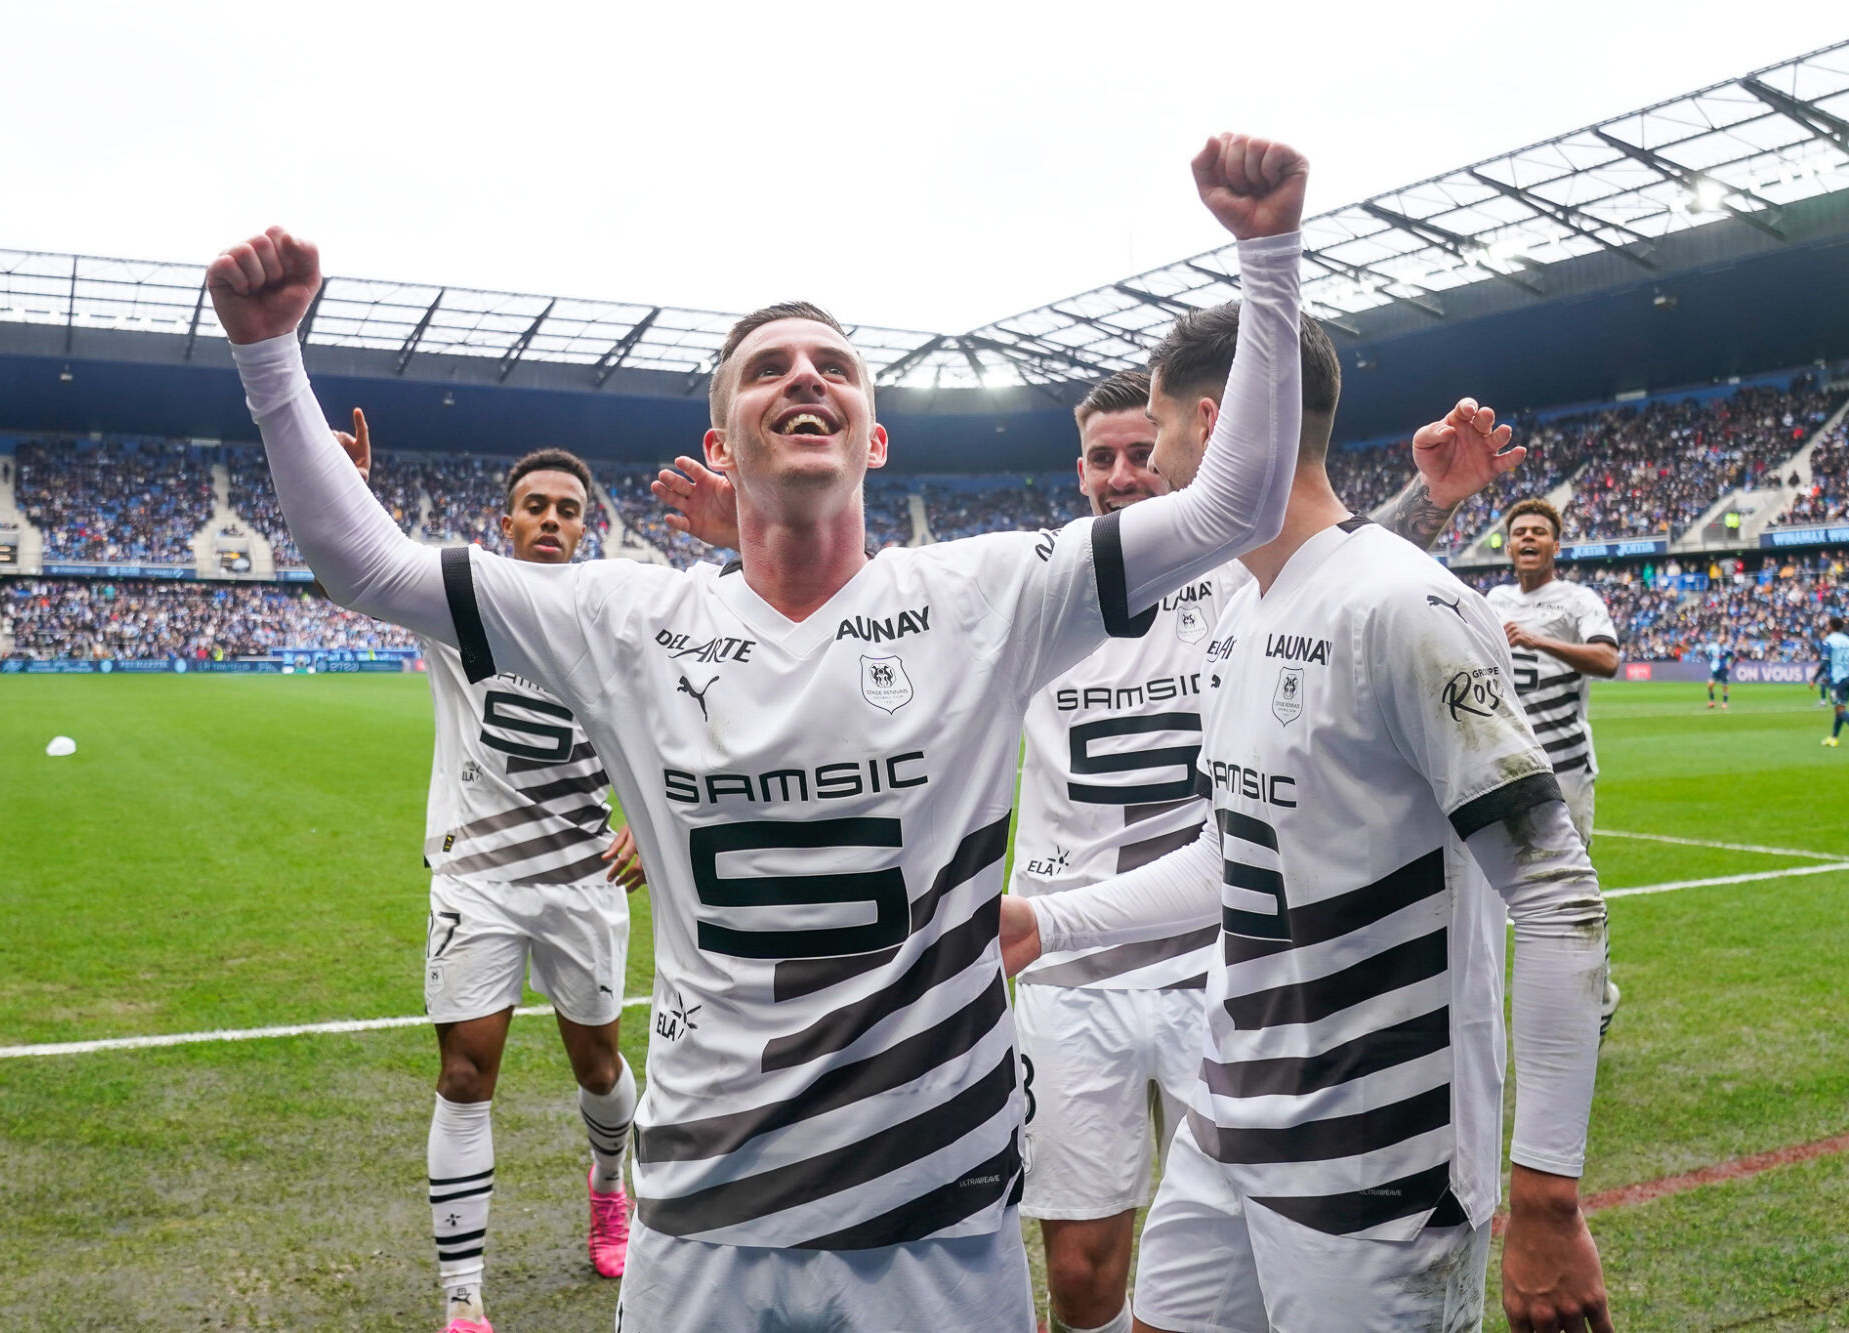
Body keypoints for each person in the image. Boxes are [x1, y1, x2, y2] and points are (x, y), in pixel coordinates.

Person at [210, 130, 1310, 1333]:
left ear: (871, 440)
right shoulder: (622, 617)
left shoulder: (988, 593)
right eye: (767, 367)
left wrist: (1267, 259)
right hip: (704, 1209)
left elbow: (1238, 498)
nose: (803, 378)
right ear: (724, 444)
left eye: (833, 366)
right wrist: (271, 356)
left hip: (931, 1211)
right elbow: (362, 562)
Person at [655, 371, 1526, 1333]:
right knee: (1079, 1268)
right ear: (1080, 472)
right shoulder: (1028, 599)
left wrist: (1432, 500)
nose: (1123, 473)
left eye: (1138, 450)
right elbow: (836, 637)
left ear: (1177, 456)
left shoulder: (1241, 590)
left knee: (1246, 1265)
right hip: (1066, 969)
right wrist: (745, 537)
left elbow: (1347, 581)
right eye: (1102, 457)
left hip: (1215, 964)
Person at [1000, 306, 1612, 1333]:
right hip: (1228, 1115)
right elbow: (1228, 856)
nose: (1146, 462)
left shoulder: (1404, 608)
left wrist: (1547, 1196)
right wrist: (1048, 923)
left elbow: (1556, 897)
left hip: (1375, 1158)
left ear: (1211, 423)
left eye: (1154, 430)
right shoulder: (1246, 607)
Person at [329, 408, 648, 1329]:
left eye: (569, 510)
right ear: (503, 521)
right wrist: (349, 487)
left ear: (588, 525)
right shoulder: (460, 604)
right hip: (478, 880)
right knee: (467, 1074)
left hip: (582, 882)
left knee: (597, 1065)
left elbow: (677, 730)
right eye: (535, 507)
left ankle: (607, 1181)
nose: (552, 520)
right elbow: (361, 566)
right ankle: (462, 1297)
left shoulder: (614, 619)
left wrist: (648, 823)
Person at [1486, 500, 1622, 1033]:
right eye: (1519, 532)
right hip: (1501, 763)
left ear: (1555, 546)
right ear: (1508, 544)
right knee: (1490, 887)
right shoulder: (1492, 599)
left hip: (1564, 767)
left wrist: (1538, 639)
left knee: (1570, 885)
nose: (1527, 538)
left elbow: (1608, 661)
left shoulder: (1577, 599)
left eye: (1538, 532)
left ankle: (1598, 997)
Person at [1823, 615, 1849, 747]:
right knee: (1839, 708)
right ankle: (1834, 737)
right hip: (1848, 677)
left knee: (1839, 709)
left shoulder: (1829, 640)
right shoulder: (1847, 640)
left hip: (1838, 678)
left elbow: (1825, 661)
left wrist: (1814, 678)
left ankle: (1833, 737)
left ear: (1831, 626)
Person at [1705, 634, 1735, 709]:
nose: (1720, 640)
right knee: (1710, 685)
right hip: (1715, 669)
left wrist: (1729, 663)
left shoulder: (1726, 648)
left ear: (1724, 641)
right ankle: (1712, 701)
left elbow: (1732, 656)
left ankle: (1724, 703)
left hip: (1723, 669)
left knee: (1724, 686)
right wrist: (1710, 659)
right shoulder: (1713, 646)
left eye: (1722, 639)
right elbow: (1707, 653)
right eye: (1720, 638)